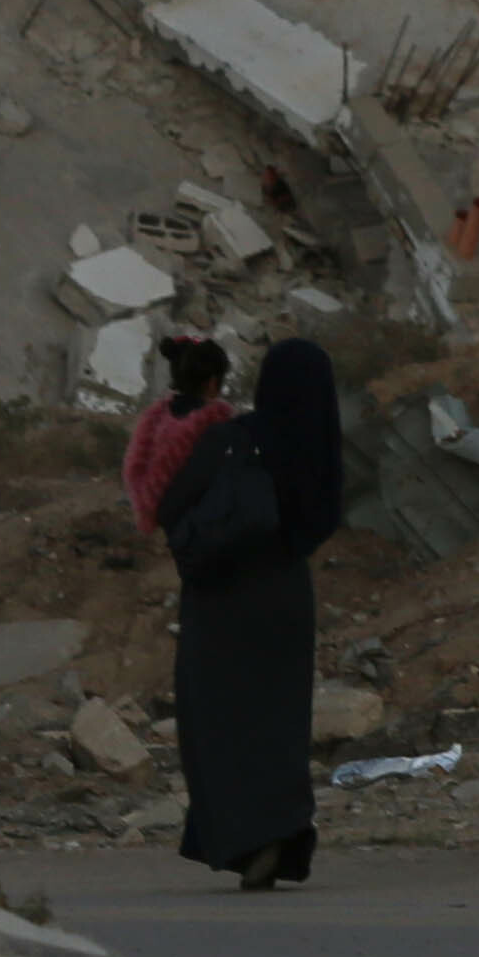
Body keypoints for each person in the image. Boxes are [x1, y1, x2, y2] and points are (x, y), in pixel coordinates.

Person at [157, 336, 346, 892]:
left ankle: (239, 837)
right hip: (286, 595)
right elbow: (323, 519)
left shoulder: (233, 440)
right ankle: (280, 833)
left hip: (221, 596)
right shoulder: (320, 451)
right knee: (279, 723)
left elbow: (169, 503)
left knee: (216, 721)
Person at [123, 335, 235, 532]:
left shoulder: (154, 420)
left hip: (152, 515)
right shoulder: (215, 427)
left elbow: (135, 469)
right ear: (212, 383)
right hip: (195, 532)